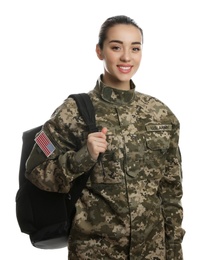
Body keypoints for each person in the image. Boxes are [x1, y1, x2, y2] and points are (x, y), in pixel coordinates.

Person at [25, 15, 185, 260]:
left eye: (135, 48)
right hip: (95, 252)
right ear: (100, 51)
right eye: (116, 47)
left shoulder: (161, 114)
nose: (126, 57)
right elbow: (36, 171)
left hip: (152, 252)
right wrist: (83, 156)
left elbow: (171, 193)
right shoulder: (73, 111)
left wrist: (174, 252)